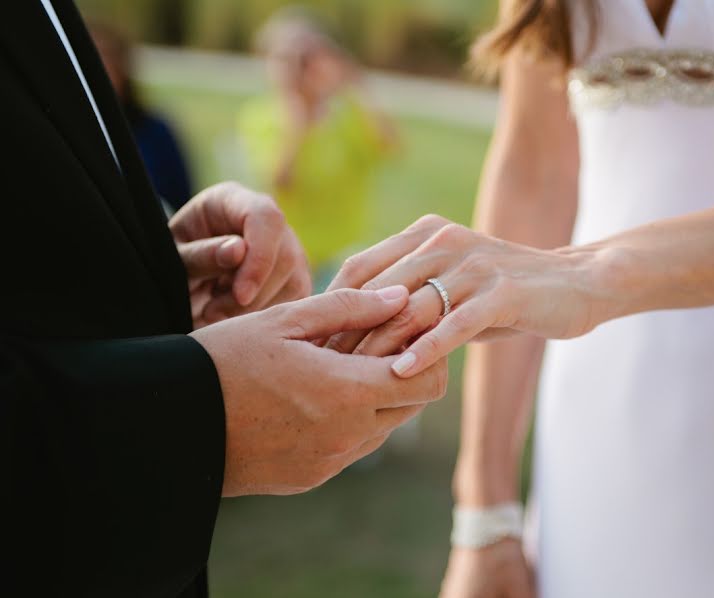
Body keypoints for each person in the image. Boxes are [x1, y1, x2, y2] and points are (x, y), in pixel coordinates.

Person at [323, 0, 714, 596]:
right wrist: (485, 506)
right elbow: (535, 168)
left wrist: (595, 274)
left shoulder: (590, 277)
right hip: (596, 433)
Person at [1, 2, 447, 596]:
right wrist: (199, 408)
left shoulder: (345, 115)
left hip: (327, 256)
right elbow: (281, 174)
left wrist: (154, 275)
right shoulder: (269, 114)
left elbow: (390, 146)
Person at [238, 7, 395, 286]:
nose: (299, 70)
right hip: (289, 258)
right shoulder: (260, 118)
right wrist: (298, 124)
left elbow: (388, 148)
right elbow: (277, 182)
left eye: (309, 59)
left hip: (345, 256)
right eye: (287, 59)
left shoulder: (347, 116)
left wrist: (356, 86)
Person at [89, 20, 194, 213]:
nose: (98, 70)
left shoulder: (156, 131)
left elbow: (184, 202)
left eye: (106, 58)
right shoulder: (74, 134)